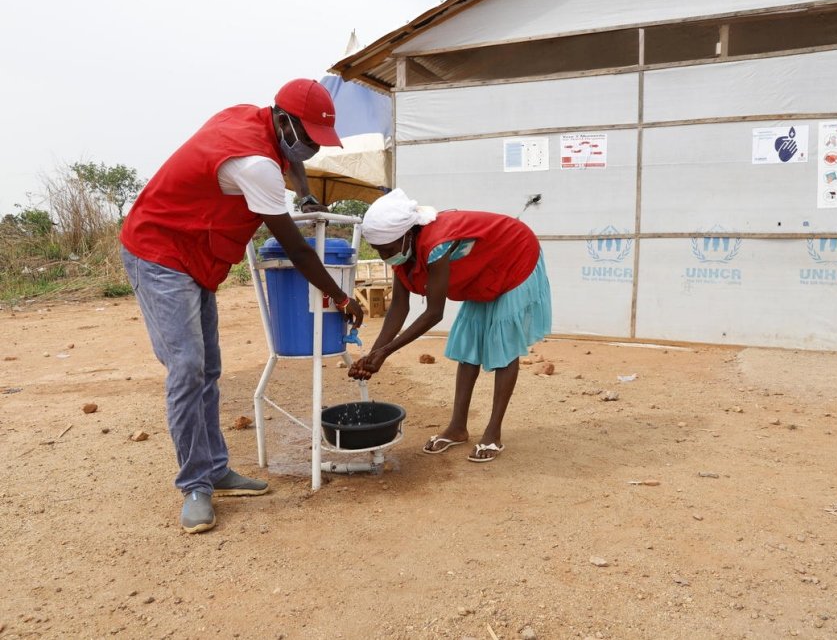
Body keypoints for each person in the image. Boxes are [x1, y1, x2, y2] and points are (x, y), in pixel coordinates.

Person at [119, 78, 364, 533]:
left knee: (209, 368)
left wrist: (305, 189)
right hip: (157, 252)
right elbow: (300, 250)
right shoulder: (255, 165)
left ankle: (215, 471)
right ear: (284, 121)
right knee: (188, 368)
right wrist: (342, 296)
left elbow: (286, 160)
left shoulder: (251, 119)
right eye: (307, 138)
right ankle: (195, 484)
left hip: (193, 255)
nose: (311, 147)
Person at [348, 189, 551, 462]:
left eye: (387, 250)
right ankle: (457, 428)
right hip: (484, 266)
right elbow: (399, 307)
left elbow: (434, 313)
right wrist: (374, 352)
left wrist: (385, 353)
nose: (385, 256)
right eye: (378, 251)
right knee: (470, 345)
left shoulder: (436, 244)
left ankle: (493, 432)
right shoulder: (402, 249)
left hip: (514, 255)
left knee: (503, 345)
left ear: (407, 234)